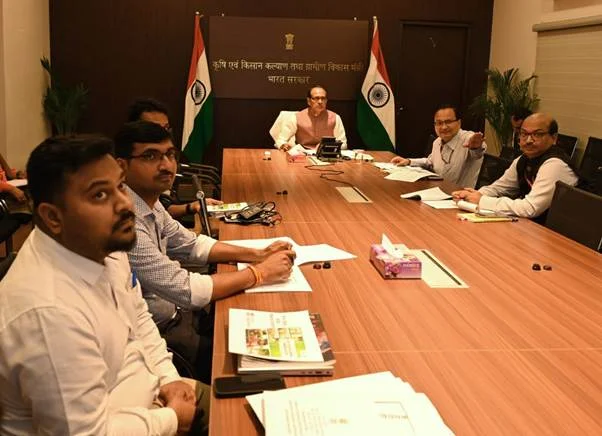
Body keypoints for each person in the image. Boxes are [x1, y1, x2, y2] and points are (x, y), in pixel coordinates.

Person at [0, 135, 206, 434]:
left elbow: (138, 317)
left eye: (120, 186)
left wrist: (168, 377)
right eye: (99, 195)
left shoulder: (103, 243)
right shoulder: (48, 315)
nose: (125, 204)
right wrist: (172, 419)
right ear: (53, 217)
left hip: (154, 394)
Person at [114, 121, 295, 326]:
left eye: (170, 155)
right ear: (121, 166)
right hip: (157, 329)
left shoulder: (149, 202)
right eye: (150, 156)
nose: (166, 165)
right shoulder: (124, 222)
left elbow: (191, 244)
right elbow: (186, 290)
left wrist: (259, 254)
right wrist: (260, 272)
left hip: (175, 311)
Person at [452, 113, 579, 220]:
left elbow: (530, 208)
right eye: (524, 134)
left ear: (554, 138)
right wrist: (472, 195)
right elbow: (500, 188)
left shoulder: (555, 164)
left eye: (537, 134)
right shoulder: (524, 159)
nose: (528, 140)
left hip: (561, 233)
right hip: (533, 226)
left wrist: (481, 200)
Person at [127, 97, 222, 219]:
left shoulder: (157, 207)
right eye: (150, 157)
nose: (166, 165)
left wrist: (193, 206)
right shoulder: (131, 210)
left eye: (166, 128)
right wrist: (190, 207)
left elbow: (164, 210)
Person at [390, 104, 486, 188]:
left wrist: (475, 147)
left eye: (448, 122)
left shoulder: (467, 138)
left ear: (459, 122)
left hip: (460, 196)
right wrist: (408, 161)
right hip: (437, 191)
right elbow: (430, 161)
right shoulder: (437, 142)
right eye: (439, 123)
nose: (444, 127)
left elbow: (478, 152)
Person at [275, 85, 347, 151]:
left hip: (326, 154)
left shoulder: (335, 117)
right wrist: (283, 145)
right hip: (303, 153)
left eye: (323, 98)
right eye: (316, 98)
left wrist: (330, 147)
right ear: (308, 101)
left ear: (326, 101)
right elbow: (281, 140)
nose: (320, 101)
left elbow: (343, 144)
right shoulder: (296, 117)